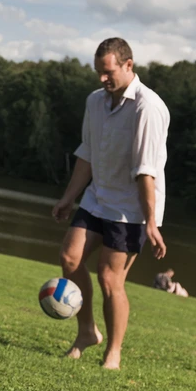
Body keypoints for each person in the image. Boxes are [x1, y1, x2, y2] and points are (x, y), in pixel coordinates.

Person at [52, 37, 170, 370]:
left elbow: (146, 170)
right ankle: (87, 331)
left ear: (128, 65)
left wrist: (150, 222)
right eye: (98, 72)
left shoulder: (148, 107)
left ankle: (114, 352)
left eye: (108, 72)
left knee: (109, 277)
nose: (102, 79)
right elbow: (87, 154)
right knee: (69, 256)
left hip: (132, 208)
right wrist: (68, 197)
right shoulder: (95, 102)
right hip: (98, 197)